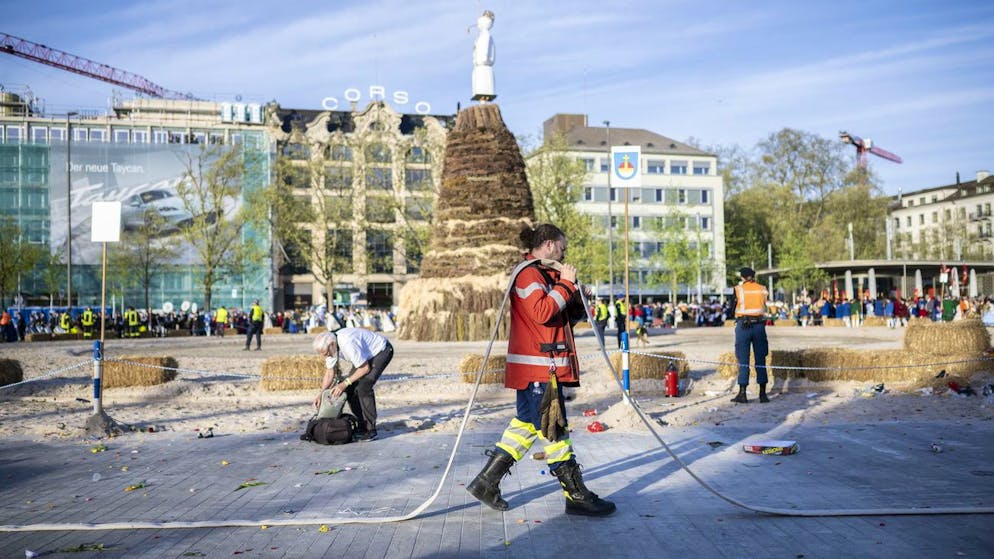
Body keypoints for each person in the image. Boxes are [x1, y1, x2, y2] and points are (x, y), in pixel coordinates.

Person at [467, 223, 615, 517]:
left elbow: (557, 321)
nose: (564, 252)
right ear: (548, 244)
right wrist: (565, 285)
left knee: (525, 426)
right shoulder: (528, 273)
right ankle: (576, 495)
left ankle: (486, 482)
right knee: (555, 430)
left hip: (543, 370)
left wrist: (575, 298)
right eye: (562, 246)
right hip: (540, 371)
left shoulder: (544, 275)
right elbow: (541, 312)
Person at [311, 328, 393, 441]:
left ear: (332, 344)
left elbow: (364, 368)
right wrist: (321, 394)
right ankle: (362, 425)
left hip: (381, 350)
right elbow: (330, 373)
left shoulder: (348, 343)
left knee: (364, 386)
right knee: (350, 388)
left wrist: (344, 383)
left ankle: (370, 430)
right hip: (365, 356)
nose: (327, 357)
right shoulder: (331, 347)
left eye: (327, 353)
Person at [731, 267, 770, 404]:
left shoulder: (738, 289)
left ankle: (743, 394)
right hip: (759, 326)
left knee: (743, 359)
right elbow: (765, 302)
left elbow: (732, 309)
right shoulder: (762, 289)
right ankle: (763, 394)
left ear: (742, 277)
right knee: (760, 359)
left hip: (743, 326)